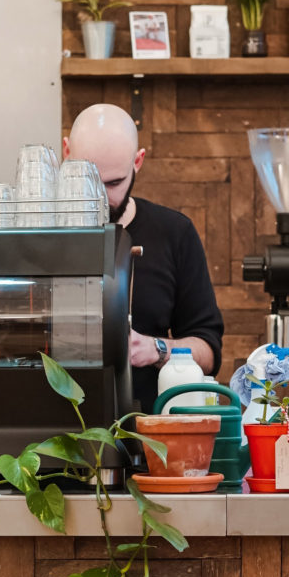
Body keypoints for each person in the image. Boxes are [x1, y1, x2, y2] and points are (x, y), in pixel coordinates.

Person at [63, 103, 224, 412]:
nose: (98, 196)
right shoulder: (38, 229)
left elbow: (209, 351)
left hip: (146, 439)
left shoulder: (174, 233)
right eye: (87, 178)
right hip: (47, 442)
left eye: (113, 183)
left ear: (138, 162)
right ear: (66, 151)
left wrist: (156, 349)